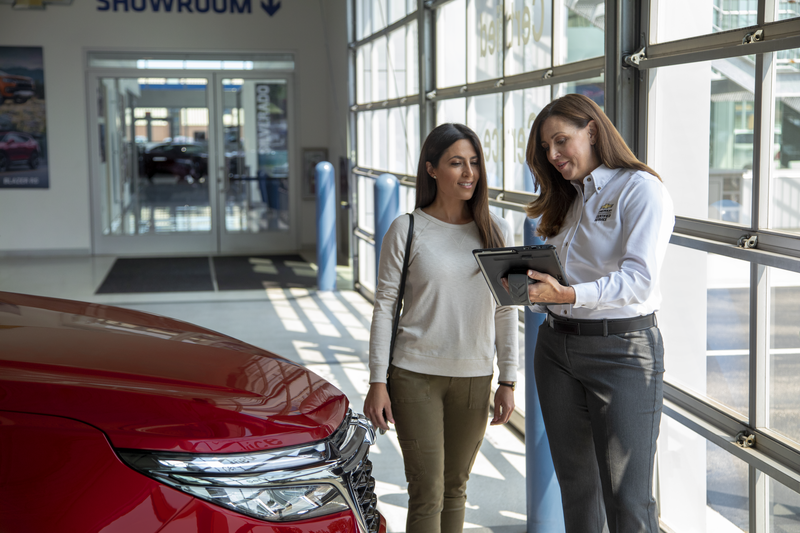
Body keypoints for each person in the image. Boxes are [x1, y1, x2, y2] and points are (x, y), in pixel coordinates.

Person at [518, 93, 675, 533]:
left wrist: (567, 294)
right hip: (555, 348)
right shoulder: (566, 199)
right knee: (577, 488)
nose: (553, 155)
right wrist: (527, 285)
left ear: (592, 129)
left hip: (622, 353)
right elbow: (560, 273)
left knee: (628, 499)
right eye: (545, 149)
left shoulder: (641, 189)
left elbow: (640, 280)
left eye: (561, 141)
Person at [364, 123, 519, 533]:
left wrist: (509, 380)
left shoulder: (496, 229)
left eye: (474, 163)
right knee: (428, 489)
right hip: (415, 375)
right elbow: (384, 309)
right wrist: (377, 380)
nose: (469, 173)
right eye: (456, 163)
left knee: (456, 488)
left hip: (474, 376)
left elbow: (507, 310)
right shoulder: (407, 229)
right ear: (431, 169)